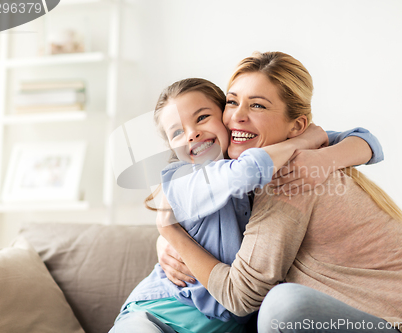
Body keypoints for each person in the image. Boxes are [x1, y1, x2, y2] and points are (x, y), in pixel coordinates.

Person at [157, 51, 402, 333]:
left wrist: (170, 232)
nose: (237, 116)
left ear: (296, 126)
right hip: (397, 319)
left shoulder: (293, 176)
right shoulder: (265, 168)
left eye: (257, 105)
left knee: (282, 306)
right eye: (231, 101)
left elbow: (240, 297)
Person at [110, 75, 384, 333]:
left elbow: (366, 141)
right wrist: (304, 141)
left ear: (227, 120)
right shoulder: (182, 181)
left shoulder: (254, 161)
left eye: (203, 118)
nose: (192, 134)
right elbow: (247, 172)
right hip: (158, 315)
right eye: (177, 133)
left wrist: (325, 154)